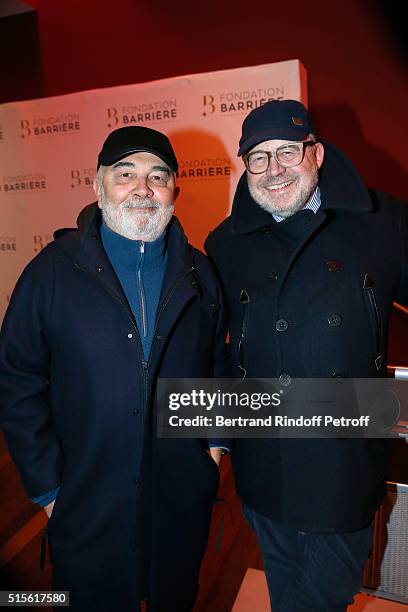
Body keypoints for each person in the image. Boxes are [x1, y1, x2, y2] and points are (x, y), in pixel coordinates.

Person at [0, 126, 227, 612]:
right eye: (125, 174)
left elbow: (218, 364)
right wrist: (49, 487)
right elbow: (16, 379)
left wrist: (213, 448)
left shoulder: (202, 273)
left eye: (157, 176)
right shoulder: (50, 273)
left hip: (179, 500)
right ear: (98, 185)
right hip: (84, 500)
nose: (142, 188)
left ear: (174, 191)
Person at [205, 100, 408, 611]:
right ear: (244, 167)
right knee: (283, 585)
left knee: (324, 597)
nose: (274, 170)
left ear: (316, 153)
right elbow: (216, 351)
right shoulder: (224, 245)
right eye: (258, 157)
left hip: (343, 464)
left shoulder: (382, 221)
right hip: (263, 466)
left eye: (288, 152)